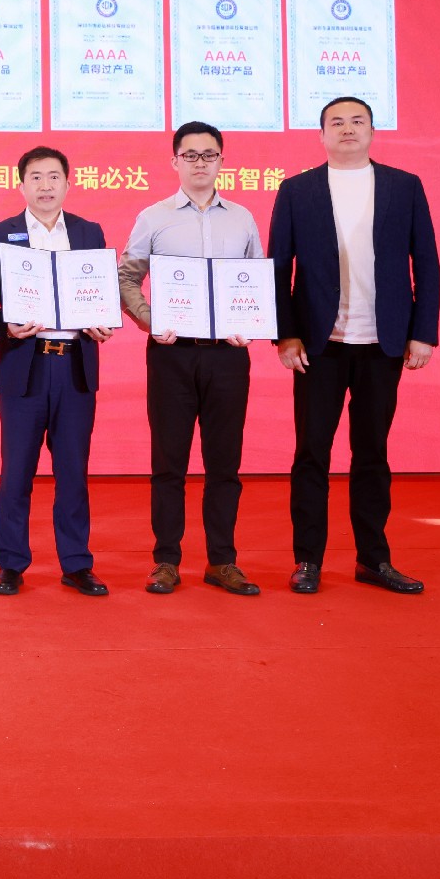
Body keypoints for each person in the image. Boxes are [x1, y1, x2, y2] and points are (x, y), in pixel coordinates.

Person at [270, 96, 440, 595]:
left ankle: (373, 559)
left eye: (357, 121)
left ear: (372, 131)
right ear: (321, 134)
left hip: (382, 342)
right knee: (311, 454)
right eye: (337, 122)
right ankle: (308, 560)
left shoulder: (404, 186)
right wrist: (286, 334)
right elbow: (279, 267)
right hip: (318, 345)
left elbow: (426, 262)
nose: (348, 129)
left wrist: (422, 332)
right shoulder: (297, 189)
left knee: (372, 454)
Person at [118, 121, 266, 597]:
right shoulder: (153, 217)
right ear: (175, 161)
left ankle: (222, 561)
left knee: (224, 464)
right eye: (190, 155)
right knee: (169, 463)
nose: (200, 162)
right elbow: (126, 277)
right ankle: (166, 560)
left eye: (209, 154)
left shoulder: (242, 218)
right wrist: (150, 320)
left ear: (222, 160)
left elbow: (256, 283)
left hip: (228, 356)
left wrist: (252, 322)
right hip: (172, 355)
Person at [0, 147, 114, 597]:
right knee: (16, 471)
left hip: (74, 365)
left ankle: (76, 563)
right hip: (24, 365)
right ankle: (10, 563)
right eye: (35, 177)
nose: (45, 186)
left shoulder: (89, 232)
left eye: (54, 177)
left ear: (68, 183)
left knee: (73, 471)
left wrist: (104, 322)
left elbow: (101, 292)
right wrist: (6, 326)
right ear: (21, 185)